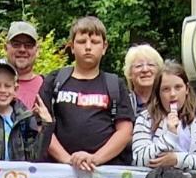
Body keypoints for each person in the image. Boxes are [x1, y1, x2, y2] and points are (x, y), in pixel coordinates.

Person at [40, 16, 135, 169]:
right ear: (71, 46)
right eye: (82, 41)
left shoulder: (114, 84)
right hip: (59, 171)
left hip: (104, 171)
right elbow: (41, 126)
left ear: (104, 47)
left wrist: (95, 159)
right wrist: (67, 160)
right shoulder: (54, 80)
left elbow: (124, 131)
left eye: (95, 42)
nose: (88, 47)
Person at [132, 62, 196, 172]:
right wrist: (169, 136)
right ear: (158, 93)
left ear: (187, 89)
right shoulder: (145, 119)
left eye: (178, 87)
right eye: (166, 89)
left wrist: (177, 160)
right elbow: (138, 160)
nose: (172, 94)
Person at [0, 20, 48, 110]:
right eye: (16, 44)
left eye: (28, 45)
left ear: (37, 50)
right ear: (5, 48)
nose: (22, 50)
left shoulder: (47, 87)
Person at [122, 43, 163, 120]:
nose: (145, 70)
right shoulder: (124, 103)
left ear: (159, 70)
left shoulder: (165, 101)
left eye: (151, 65)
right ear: (129, 73)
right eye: (139, 66)